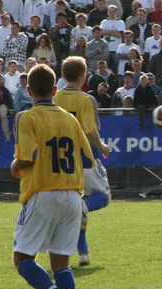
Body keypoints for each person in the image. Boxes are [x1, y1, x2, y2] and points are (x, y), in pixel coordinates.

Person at [11, 63, 95, 289]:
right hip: (72, 196)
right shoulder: (70, 119)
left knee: (21, 258)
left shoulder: (28, 117)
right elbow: (87, 159)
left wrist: (14, 167)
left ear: (28, 90)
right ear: (55, 89)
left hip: (43, 193)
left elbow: (26, 158)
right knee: (61, 263)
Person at [53, 56, 111, 269]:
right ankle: (81, 210)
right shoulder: (86, 99)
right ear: (83, 75)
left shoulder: (55, 97)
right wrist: (103, 147)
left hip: (60, 161)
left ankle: (83, 252)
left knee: (77, 202)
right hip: (85, 158)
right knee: (102, 198)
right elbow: (90, 131)